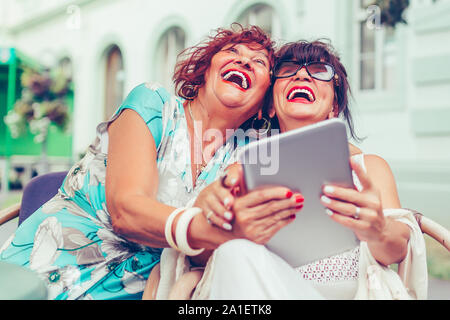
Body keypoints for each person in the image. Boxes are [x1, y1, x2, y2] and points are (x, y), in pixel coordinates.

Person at [0, 25, 303, 300]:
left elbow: (214, 252)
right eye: (233, 52)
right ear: (205, 71)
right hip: (39, 277)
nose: (244, 61)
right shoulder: (153, 102)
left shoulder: (246, 154)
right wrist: (211, 230)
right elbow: (126, 211)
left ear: (266, 98)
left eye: (259, 62)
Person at [185, 40, 427, 300]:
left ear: (334, 106)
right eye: (288, 69)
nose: (301, 74)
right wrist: (218, 220)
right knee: (233, 253)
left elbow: (398, 248)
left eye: (319, 70)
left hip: (351, 293)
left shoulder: (370, 168)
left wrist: (378, 228)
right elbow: (203, 252)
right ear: (269, 106)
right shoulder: (244, 169)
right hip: (266, 290)